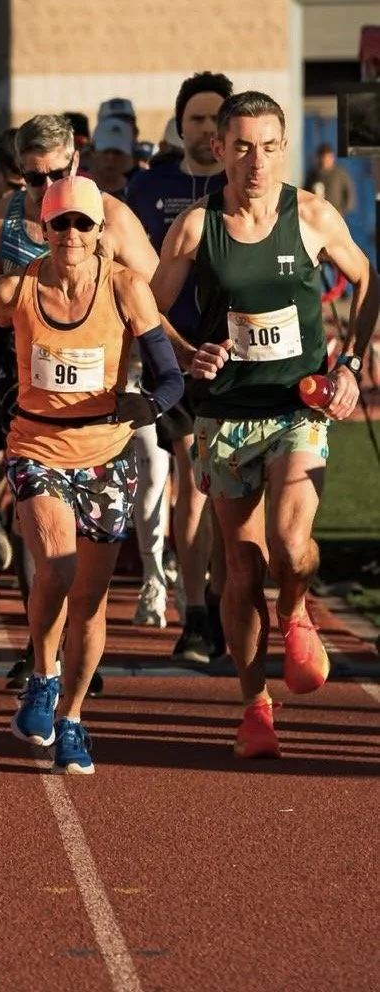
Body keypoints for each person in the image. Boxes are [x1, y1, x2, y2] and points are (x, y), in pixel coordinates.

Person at [152, 90, 378, 759]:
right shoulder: (196, 226)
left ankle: (297, 606)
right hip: (224, 415)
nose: (257, 161)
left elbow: (368, 278)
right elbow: (148, 308)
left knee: (289, 543)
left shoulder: (310, 214)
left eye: (270, 147)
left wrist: (350, 363)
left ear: (284, 148)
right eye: (243, 147)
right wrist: (185, 352)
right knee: (242, 567)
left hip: (297, 407)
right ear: (218, 147)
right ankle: (255, 707)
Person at [0, 175, 183, 774]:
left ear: (99, 230)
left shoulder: (126, 288)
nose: (71, 234)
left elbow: (170, 378)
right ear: (45, 229)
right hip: (36, 447)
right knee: (56, 568)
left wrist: (148, 406)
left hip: (106, 454)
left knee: (91, 601)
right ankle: (43, 676)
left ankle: (73, 718)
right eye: (60, 223)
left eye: (82, 223)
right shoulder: (15, 290)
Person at [125, 71, 231, 652]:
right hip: (175, 355)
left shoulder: (249, 186)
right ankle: (193, 610)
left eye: (217, 118)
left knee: (232, 491)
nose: (208, 128)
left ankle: (220, 598)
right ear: (180, 125)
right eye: (197, 118)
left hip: (242, 358)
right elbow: (133, 278)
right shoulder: (148, 188)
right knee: (193, 481)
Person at [305, 142, 356, 217]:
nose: (326, 160)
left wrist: (342, 211)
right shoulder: (313, 175)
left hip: (336, 214)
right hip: (317, 214)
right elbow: (305, 193)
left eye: (328, 157)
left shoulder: (339, 174)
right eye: (323, 157)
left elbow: (349, 194)